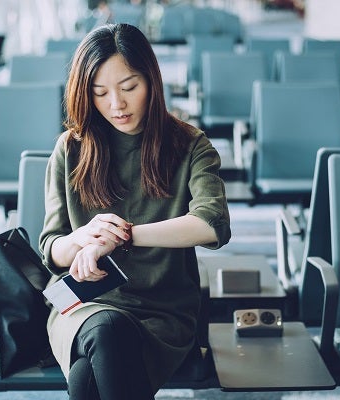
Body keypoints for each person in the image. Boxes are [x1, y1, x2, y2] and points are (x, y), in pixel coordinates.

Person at [39, 23, 231, 400]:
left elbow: (212, 223)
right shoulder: (71, 148)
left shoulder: (190, 146)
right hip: (80, 304)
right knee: (107, 330)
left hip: (162, 309)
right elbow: (51, 250)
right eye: (100, 93)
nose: (117, 104)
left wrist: (121, 236)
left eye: (129, 87)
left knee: (90, 373)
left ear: (152, 81)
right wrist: (79, 240)